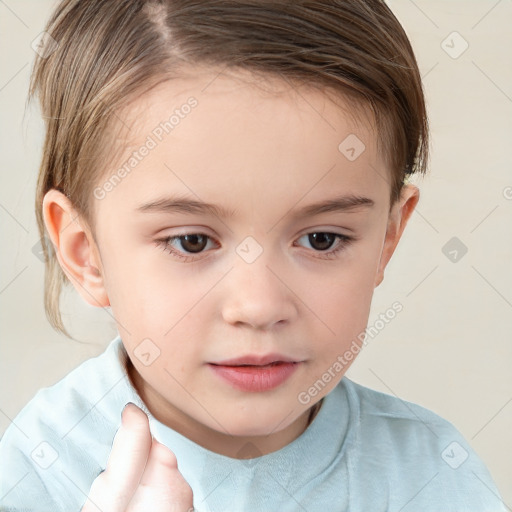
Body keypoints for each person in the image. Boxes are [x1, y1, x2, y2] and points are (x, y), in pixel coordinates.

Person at [0, 0, 506, 511]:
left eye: (322, 239)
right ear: (86, 254)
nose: (260, 306)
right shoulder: (33, 476)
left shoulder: (434, 476)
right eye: (191, 242)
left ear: (386, 239)